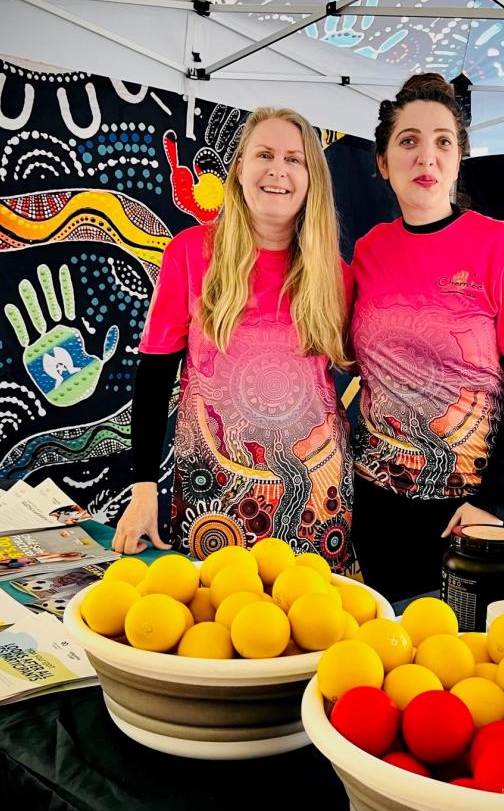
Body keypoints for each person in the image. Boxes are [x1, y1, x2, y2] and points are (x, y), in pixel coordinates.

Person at [113, 108, 354, 570]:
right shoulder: (189, 252)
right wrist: (143, 487)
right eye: (264, 154)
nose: (277, 170)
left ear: (312, 179)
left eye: (295, 159)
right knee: (214, 632)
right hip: (212, 496)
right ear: (239, 168)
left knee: (308, 628)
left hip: (316, 499)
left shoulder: (337, 277)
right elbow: (154, 373)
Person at [350, 74, 504, 602]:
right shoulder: (370, 250)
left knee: (478, 669)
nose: (427, 157)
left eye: (443, 141)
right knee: (393, 660)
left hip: (476, 508)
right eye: (409, 141)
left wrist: (490, 501)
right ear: (382, 161)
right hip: (381, 502)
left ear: (459, 158)